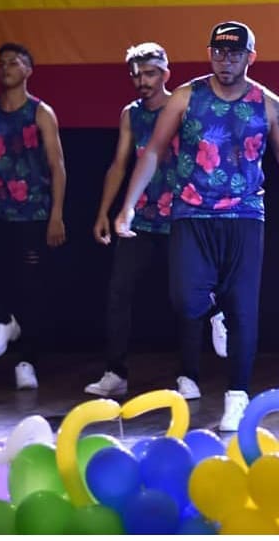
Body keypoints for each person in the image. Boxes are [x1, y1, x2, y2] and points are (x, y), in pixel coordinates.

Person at [114, 21, 279, 431]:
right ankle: (212, 309)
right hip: (192, 212)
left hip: (245, 215)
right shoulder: (187, 97)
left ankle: (237, 395)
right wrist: (127, 206)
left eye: (234, 53)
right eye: (218, 52)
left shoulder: (268, 104)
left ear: (251, 57)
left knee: (244, 309)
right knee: (185, 301)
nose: (225, 60)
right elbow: (154, 151)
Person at [84, 43, 227, 397]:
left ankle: (189, 374)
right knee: (119, 291)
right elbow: (120, 164)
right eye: (136, 75)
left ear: (165, 74)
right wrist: (104, 211)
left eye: (149, 74)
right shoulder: (131, 114)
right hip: (142, 219)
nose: (142, 81)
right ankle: (115, 372)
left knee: (186, 297)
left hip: (183, 216)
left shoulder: (182, 107)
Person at [0, 43, 67, 389]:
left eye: (13, 62)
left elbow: (57, 166)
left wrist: (56, 215)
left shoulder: (40, 113)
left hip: (33, 213)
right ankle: (3, 320)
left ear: (28, 70)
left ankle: (27, 361)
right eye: (1, 63)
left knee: (30, 288)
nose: (5, 67)